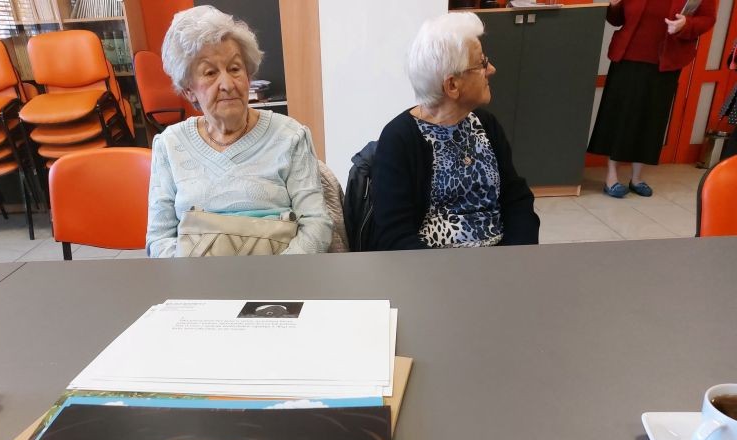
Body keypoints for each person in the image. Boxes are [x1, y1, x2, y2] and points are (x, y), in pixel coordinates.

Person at [146, 5, 332, 257]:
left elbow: (317, 226)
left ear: (248, 76)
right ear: (189, 90)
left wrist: (278, 274)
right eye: (210, 73)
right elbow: (159, 239)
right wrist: (192, 276)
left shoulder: (291, 136)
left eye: (235, 69)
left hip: (279, 275)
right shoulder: (169, 145)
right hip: (197, 278)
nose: (227, 84)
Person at [370, 12, 539, 251]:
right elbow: (394, 235)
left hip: (501, 259)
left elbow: (517, 200)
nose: (491, 69)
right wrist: (448, 272)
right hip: (431, 266)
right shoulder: (399, 139)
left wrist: (515, 257)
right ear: (452, 85)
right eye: (481, 63)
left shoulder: (486, 124)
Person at [588, 0, 716, 198]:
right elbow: (616, 19)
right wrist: (613, 6)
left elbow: (707, 19)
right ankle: (611, 177)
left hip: (666, 61)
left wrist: (686, 24)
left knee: (652, 119)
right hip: (628, 57)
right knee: (621, 116)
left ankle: (637, 178)